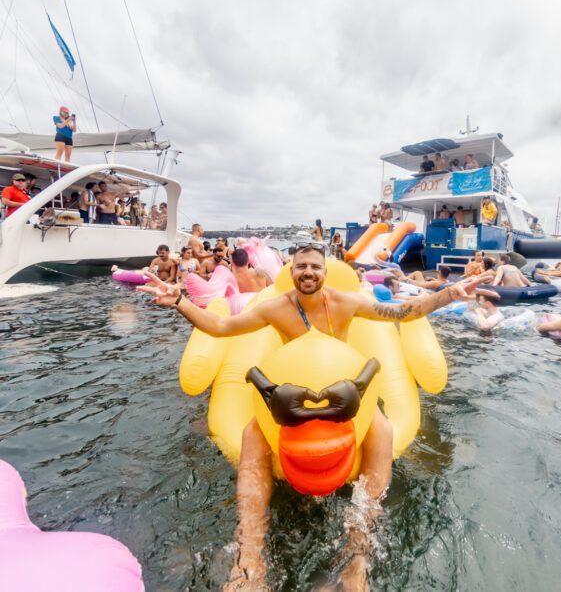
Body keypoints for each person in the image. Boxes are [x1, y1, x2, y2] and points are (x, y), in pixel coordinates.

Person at [138, 243, 492, 589]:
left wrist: (447, 294)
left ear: (324, 272)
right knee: (252, 435)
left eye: (315, 267)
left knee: (381, 429)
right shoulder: (275, 308)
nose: (308, 272)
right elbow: (220, 328)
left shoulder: (344, 302)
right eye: (301, 267)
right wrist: (180, 301)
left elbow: (403, 312)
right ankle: (249, 561)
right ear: (291, 272)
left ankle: (358, 558)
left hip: (343, 392)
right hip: (294, 393)